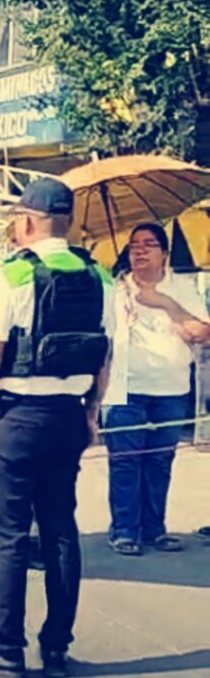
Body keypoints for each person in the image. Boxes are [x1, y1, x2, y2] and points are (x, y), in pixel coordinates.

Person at [0, 179, 115, 678]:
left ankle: (5, 647)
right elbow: (103, 354)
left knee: (8, 537)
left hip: (17, 418)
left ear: (25, 221)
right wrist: (91, 413)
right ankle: (57, 647)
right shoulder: (100, 276)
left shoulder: (13, 273)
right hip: (68, 416)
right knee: (61, 531)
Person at [103, 223, 210, 556]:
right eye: (134, 245)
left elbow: (200, 332)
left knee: (159, 463)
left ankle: (153, 529)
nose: (140, 250)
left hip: (170, 389)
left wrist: (161, 301)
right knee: (125, 462)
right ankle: (124, 531)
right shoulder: (114, 290)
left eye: (149, 244)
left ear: (164, 253)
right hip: (124, 391)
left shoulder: (183, 287)